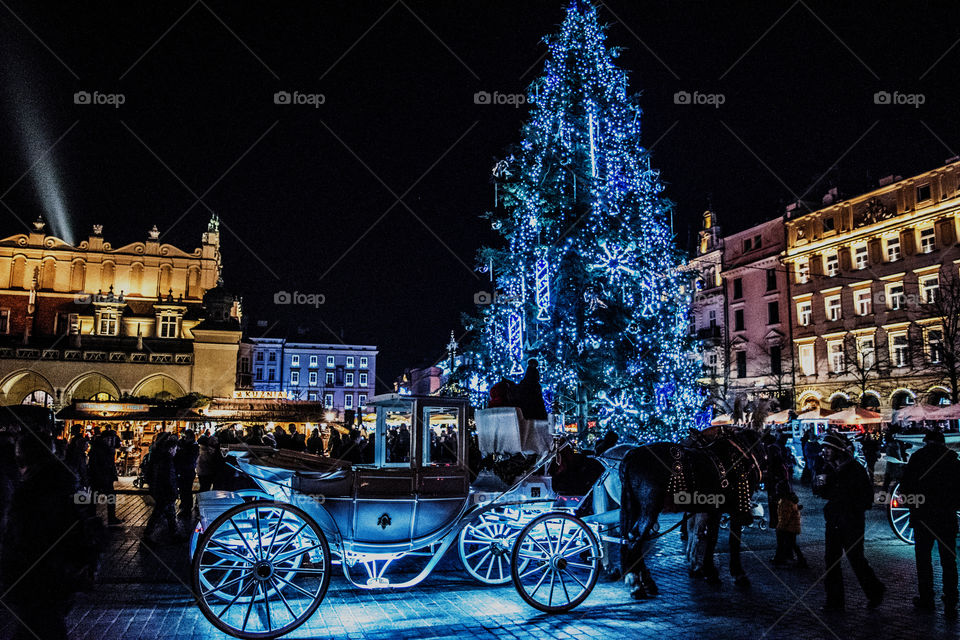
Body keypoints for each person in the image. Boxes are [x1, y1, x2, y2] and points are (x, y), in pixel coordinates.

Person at [2, 432, 99, 640]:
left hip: (40, 578)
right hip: (58, 577)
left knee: (40, 628)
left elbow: (25, 538)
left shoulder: (31, 491)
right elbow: (87, 523)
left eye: (20, 458)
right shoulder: (65, 483)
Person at [813, 432, 885, 612]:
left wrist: (848, 504)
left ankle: (875, 590)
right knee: (831, 561)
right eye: (824, 448)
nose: (825, 452)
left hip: (851, 522)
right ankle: (834, 602)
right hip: (834, 521)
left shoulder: (855, 469)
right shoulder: (828, 468)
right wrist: (820, 485)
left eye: (829, 448)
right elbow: (823, 493)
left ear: (838, 450)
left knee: (856, 559)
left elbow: (867, 498)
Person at [899, 429, 960, 617]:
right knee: (948, 560)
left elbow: (905, 488)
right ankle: (951, 600)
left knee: (923, 560)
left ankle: (927, 598)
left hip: (922, 517)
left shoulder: (917, 458)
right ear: (943, 443)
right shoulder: (953, 461)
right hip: (946, 517)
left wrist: (913, 503)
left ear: (926, 442)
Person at [144, 433, 181, 543]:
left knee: (170, 513)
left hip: (162, 491)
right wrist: (173, 491)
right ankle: (148, 534)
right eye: (175, 449)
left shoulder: (160, 457)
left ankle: (174, 533)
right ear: (170, 449)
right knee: (159, 513)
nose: (176, 451)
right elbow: (168, 478)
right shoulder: (166, 461)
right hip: (165, 492)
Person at [88, 426, 123, 526]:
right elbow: (95, 463)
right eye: (110, 439)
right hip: (100, 475)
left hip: (105, 475)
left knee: (102, 496)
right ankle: (94, 517)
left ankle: (102, 517)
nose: (112, 441)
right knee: (97, 496)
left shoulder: (105, 446)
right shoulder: (100, 448)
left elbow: (117, 445)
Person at [776, 490, 807, 568]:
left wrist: (780, 527)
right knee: (792, 543)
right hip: (792, 526)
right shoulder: (790, 500)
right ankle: (800, 560)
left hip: (789, 527)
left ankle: (800, 560)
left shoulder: (785, 502)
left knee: (790, 543)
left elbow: (785, 518)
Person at [174, 429, 199, 518]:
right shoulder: (185, 444)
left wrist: (182, 448)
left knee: (186, 490)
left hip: (188, 471)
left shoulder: (193, 447)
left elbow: (189, 458)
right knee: (183, 489)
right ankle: (184, 505)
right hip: (183, 470)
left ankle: (187, 508)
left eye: (186, 437)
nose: (185, 438)